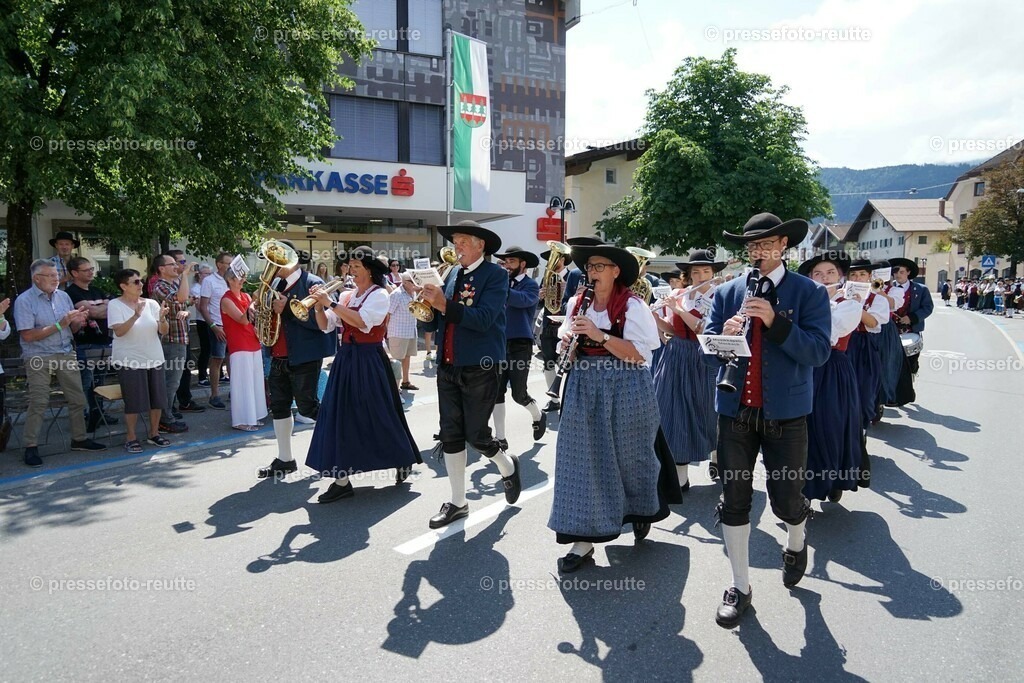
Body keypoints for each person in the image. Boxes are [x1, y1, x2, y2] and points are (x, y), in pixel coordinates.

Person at [702, 212, 831, 629]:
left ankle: (797, 538)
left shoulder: (809, 292)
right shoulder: (727, 292)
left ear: (783, 247)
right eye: (752, 245)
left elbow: (817, 353)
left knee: (787, 500)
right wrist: (724, 333)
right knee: (735, 500)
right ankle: (740, 586)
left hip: (787, 414)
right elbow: (708, 346)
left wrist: (775, 322)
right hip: (735, 410)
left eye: (766, 244)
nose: (758, 251)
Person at [549, 244, 679, 573]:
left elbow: (640, 356)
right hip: (584, 386)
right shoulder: (578, 302)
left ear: (615, 271)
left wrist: (600, 335)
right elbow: (567, 334)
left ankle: (639, 511)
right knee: (581, 459)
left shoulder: (634, 306)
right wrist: (568, 344)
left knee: (630, 456)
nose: (592, 272)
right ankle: (583, 539)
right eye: (590, 267)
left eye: (599, 266)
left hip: (627, 385)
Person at [417, 220, 521, 529]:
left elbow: (484, 319)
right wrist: (426, 309)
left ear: (480, 245)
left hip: (481, 365)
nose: (456, 246)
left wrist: (443, 303)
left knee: (477, 435)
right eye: (455, 241)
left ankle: (506, 464)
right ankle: (458, 502)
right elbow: (442, 320)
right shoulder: (451, 275)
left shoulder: (497, 275)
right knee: (450, 433)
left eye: (462, 241)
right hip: (448, 364)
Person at [306, 246, 421, 502]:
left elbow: (361, 322)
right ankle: (341, 479)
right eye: (351, 267)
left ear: (369, 271)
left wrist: (331, 302)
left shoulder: (380, 295)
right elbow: (326, 325)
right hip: (346, 358)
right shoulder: (347, 296)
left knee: (378, 414)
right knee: (338, 416)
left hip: (369, 360)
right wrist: (317, 305)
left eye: (357, 267)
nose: (351, 271)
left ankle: (401, 457)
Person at [13, 260, 107, 466]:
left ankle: (79, 439)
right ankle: (30, 446)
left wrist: (76, 322)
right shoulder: (24, 300)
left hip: (65, 353)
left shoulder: (63, 296)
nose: (57, 279)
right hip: (38, 356)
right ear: (36, 278)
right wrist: (60, 324)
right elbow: (28, 335)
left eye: (57, 275)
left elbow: (70, 330)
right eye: (51, 276)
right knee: (39, 401)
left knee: (78, 399)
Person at [254, 241, 335, 479]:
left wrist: (286, 309)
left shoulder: (313, 283)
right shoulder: (275, 284)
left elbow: (323, 324)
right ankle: (285, 458)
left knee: (309, 407)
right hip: (278, 354)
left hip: (304, 356)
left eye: (278, 260)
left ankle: (336, 449)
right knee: (279, 407)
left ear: (293, 260)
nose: (272, 266)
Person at [653, 248, 725, 491]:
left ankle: (717, 456)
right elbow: (673, 330)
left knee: (706, 412)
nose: (702, 276)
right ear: (689, 274)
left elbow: (703, 330)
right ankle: (680, 476)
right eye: (696, 272)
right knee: (672, 413)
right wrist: (653, 316)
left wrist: (678, 310)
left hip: (705, 358)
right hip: (676, 357)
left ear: (714, 272)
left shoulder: (721, 297)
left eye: (707, 271)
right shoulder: (680, 294)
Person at [797, 252, 864, 504]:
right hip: (805, 368)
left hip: (833, 370)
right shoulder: (803, 301)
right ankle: (805, 490)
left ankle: (835, 479)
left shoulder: (851, 302)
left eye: (830, 273)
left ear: (840, 276)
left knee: (833, 425)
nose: (824, 278)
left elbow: (830, 335)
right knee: (804, 429)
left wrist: (822, 302)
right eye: (818, 274)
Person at [107, 269, 173, 453]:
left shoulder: (151, 303)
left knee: (158, 399)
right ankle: (131, 437)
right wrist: (135, 316)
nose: (140, 285)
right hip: (130, 360)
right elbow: (119, 331)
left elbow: (163, 331)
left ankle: (154, 433)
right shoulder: (115, 305)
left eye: (141, 281)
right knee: (134, 401)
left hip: (154, 357)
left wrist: (162, 319)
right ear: (123, 286)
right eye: (135, 282)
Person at [493, 245, 546, 450]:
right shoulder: (502, 284)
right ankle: (500, 438)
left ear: (523, 264)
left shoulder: (530, 285)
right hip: (498, 343)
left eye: (511, 262)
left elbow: (522, 301)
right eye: (505, 262)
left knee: (518, 393)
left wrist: (502, 285)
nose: (507, 265)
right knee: (496, 392)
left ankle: (537, 415)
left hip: (520, 344)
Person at [65, 256, 118, 431]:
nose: (90, 272)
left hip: (103, 343)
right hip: (84, 344)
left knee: (100, 381)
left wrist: (98, 310)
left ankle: (99, 412)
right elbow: (93, 312)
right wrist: (101, 308)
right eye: (86, 270)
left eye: (91, 269)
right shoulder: (71, 292)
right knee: (86, 382)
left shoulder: (97, 290)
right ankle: (86, 414)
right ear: (74, 273)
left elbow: (109, 311)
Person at [221, 257, 267, 431]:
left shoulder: (245, 295)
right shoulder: (226, 299)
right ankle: (241, 420)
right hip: (239, 345)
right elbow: (242, 319)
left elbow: (252, 320)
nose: (243, 280)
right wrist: (255, 301)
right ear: (230, 280)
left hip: (252, 341)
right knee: (242, 383)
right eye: (240, 277)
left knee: (255, 382)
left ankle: (254, 416)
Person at [150, 253, 194, 434]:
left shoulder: (173, 284)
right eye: (172, 264)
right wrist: (184, 275)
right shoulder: (160, 286)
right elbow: (182, 299)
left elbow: (183, 306)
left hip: (179, 338)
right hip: (170, 340)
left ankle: (167, 415)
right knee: (170, 382)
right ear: (161, 268)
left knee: (173, 382)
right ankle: (164, 419)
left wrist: (186, 313)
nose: (177, 267)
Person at [884, 258, 934, 408]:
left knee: (910, 362)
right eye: (895, 272)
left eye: (901, 272)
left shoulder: (920, 289)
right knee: (891, 364)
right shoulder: (886, 289)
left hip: (910, 330)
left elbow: (927, 307)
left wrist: (911, 318)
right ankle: (893, 394)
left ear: (908, 273)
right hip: (890, 332)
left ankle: (912, 372)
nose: (898, 275)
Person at [537, 245, 571, 411]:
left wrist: (566, 292)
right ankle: (554, 399)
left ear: (563, 259)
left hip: (564, 325)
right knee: (548, 362)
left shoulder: (572, 277)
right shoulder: (547, 278)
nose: (551, 262)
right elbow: (541, 303)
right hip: (549, 325)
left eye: (555, 258)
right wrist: (540, 296)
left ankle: (568, 397)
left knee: (568, 364)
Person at [199, 253, 232, 409]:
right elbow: (203, 307)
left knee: (232, 358)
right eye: (227, 263)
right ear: (219, 264)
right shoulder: (209, 281)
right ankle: (215, 394)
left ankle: (234, 390)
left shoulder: (231, 280)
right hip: (217, 324)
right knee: (217, 359)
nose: (230, 266)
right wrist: (213, 326)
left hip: (232, 325)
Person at [387, 272, 421, 391]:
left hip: (410, 330)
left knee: (407, 357)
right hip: (398, 332)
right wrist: (385, 332)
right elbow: (388, 314)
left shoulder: (414, 293)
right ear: (405, 282)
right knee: (396, 360)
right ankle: (394, 387)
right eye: (412, 281)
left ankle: (405, 382)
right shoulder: (396, 294)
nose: (415, 283)